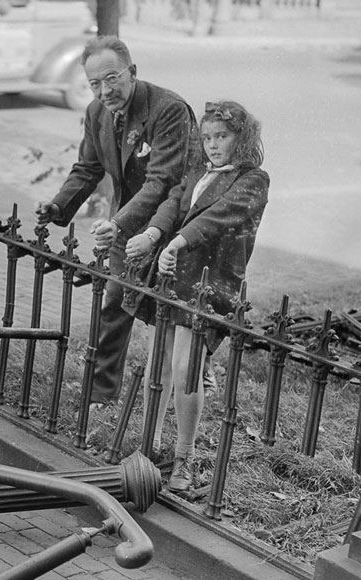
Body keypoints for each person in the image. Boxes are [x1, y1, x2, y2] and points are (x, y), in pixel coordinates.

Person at [35, 35, 200, 407]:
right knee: (113, 303)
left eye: (112, 78)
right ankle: (101, 395)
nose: (104, 90)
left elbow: (163, 182)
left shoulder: (168, 109)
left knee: (175, 316)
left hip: (173, 224)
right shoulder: (96, 113)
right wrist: (59, 207)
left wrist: (120, 223)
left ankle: (193, 380)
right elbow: (88, 167)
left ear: (133, 72)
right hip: (126, 224)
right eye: (95, 83)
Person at [124, 100, 269, 492]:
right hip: (174, 276)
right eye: (206, 138)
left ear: (242, 137)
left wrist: (178, 242)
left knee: (188, 371)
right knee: (160, 362)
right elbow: (173, 203)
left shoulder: (252, 179)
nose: (213, 145)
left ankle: (184, 457)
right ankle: (147, 447)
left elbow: (218, 215)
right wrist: (154, 234)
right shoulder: (199, 172)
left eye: (221, 136)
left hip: (210, 282)